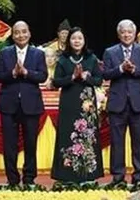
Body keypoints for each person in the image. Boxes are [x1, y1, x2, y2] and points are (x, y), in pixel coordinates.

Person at [0, 21, 48, 186]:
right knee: (9, 145)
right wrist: (13, 73)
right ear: (13, 35)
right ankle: (12, 180)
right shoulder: (4, 53)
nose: (21, 35)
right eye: (17, 32)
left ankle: (29, 178)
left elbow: (43, 76)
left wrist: (26, 72)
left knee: (30, 144)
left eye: (24, 32)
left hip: (31, 105)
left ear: (29, 34)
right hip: (8, 105)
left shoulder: (38, 54)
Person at [103, 19, 140, 186]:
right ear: (119, 34)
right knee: (117, 143)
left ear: (134, 33)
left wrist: (134, 70)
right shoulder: (110, 52)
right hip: (117, 104)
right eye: (123, 32)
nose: (126, 35)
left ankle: (138, 177)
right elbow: (105, 74)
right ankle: (118, 177)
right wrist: (120, 69)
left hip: (137, 103)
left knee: (138, 142)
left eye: (129, 32)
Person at [51, 27, 104, 183]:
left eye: (80, 38)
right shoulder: (62, 59)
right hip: (69, 101)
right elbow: (56, 82)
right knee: (68, 135)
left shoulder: (92, 58)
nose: (77, 41)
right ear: (69, 41)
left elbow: (99, 80)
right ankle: (67, 175)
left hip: (86, 104)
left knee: (87, 136)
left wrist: (87, 77)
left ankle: (89, 174)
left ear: (84, 40)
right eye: (74, 38)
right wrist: (72, 77)